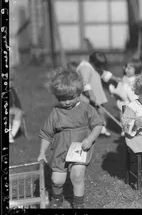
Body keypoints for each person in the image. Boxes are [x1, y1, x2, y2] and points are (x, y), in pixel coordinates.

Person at [37, 68, 104, 208]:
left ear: (79, 93)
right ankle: (57, 198)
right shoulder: (56, 112)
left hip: (80, 148)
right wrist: (42, 152)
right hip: (60, 150)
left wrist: (90, 139)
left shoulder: (86, 108)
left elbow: (98, 125)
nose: (66, 102)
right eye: (62, 99)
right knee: (57, 180)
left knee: (77, 175)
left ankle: (78, 203)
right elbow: (46, 134)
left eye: (70, 98)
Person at [76, 51, 115, 137]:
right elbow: (84, 82)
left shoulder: (93, 66)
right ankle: (91, 132)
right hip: (87, 97)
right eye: (99, 65)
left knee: (101, 112)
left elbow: (103, 73)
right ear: (93, 62)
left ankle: (102, 130)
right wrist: (91, 95)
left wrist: (115, 79)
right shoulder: (85, 67)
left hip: (97, 95)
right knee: (90, 114)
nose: (100, 67)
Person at [109, 58, 142, 136]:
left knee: (133, 118)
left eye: (129, 68)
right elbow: (121, 91)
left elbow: (130, 92)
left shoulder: (136, 80)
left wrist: (124, 84)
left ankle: (133, 130)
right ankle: (125, 130)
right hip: (124, 103)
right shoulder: (125, 79)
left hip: (132, 102)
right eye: (125, 67)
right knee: (123, 116)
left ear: (137, 69)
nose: (126, 70)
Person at [8, 69, 24, 144]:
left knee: (18, 112)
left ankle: (12, 134)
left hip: (11, 109)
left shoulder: (12, 90)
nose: (11, 83)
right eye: (9, 81)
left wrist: (20, 109)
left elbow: (17, 101)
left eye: (12, 81)